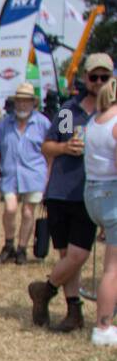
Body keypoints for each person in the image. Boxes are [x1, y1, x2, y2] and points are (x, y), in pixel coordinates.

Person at [29, 53, 113, 333]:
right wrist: (66, 149)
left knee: (78, 255)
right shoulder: (69, 111)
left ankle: (45, 289)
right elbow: (48, 146)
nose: (99, 82)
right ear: (85, 79)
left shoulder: (110, 112)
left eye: (105, 77)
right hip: (63, 189)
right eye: (94, 77)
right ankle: (73, 310)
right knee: (67, 254)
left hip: (91, 195)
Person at [0, 83, 50, 265]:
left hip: (34, 174)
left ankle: (22, 248)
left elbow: (50, 149)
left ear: (33, 103)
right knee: (10, 208)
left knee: (28, 212)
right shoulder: (6, 123)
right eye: (19, 101)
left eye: (26, 101)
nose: (22, 105)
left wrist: (49, 175)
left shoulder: (43, 123)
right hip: (10, 173)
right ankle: (8, 244)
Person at [84, 78, 117, 346]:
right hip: (112, 195)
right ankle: (103, 327)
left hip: (93, 194)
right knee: (112, 269)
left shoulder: (93, 122)